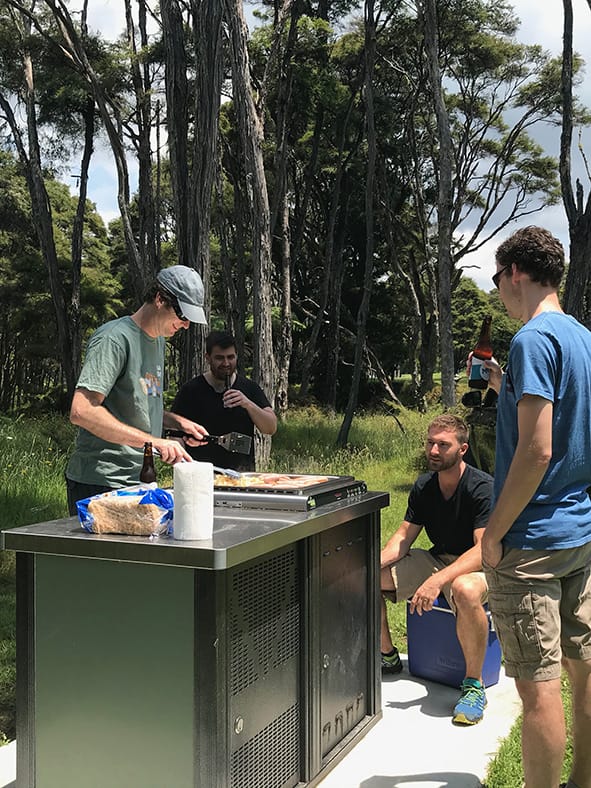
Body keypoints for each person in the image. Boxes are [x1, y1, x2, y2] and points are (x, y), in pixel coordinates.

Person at [480, 226, 591, 788]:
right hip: (579, 535)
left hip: (531, 542)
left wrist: (494, 531)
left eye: (498, 279)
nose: (498, 289)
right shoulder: (583, 339)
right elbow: (570, 427)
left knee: (539, 687)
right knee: (583, 669)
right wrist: (507, 389)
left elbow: (539, 448)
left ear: (516, 274)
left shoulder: (532, 338)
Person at [65, 265, 209, 514]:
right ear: (160, 298)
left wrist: (177, 425)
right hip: (100, 482)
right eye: (182, 315)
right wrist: (153, 442)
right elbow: (82, 410)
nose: (185, 325)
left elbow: (138, 403)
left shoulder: (159, 342)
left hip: (138, 479)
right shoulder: (114, 339)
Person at [381, 414, 494, 725]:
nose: (433, 450)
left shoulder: (482, 487)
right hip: (439, 559)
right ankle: (388, 656)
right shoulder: (424, 486)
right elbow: (402, 539)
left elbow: (483, 551)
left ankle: (473, 686)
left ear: (462, 449)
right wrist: (366, 563)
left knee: (464, 589)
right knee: (367, 576)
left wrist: (438, 581)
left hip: (479, 567)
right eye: (430, 443)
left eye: (443, 445)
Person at [171, 330, 277, 471]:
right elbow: (174, 434)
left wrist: (247, 404)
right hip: (202, 474)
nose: (226, 363)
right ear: (207, 358)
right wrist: (183, 466)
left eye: (230, 357)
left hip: (242, 476)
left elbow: (270, 427)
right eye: (219, 358)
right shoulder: (191, 390)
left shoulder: (249, 388)